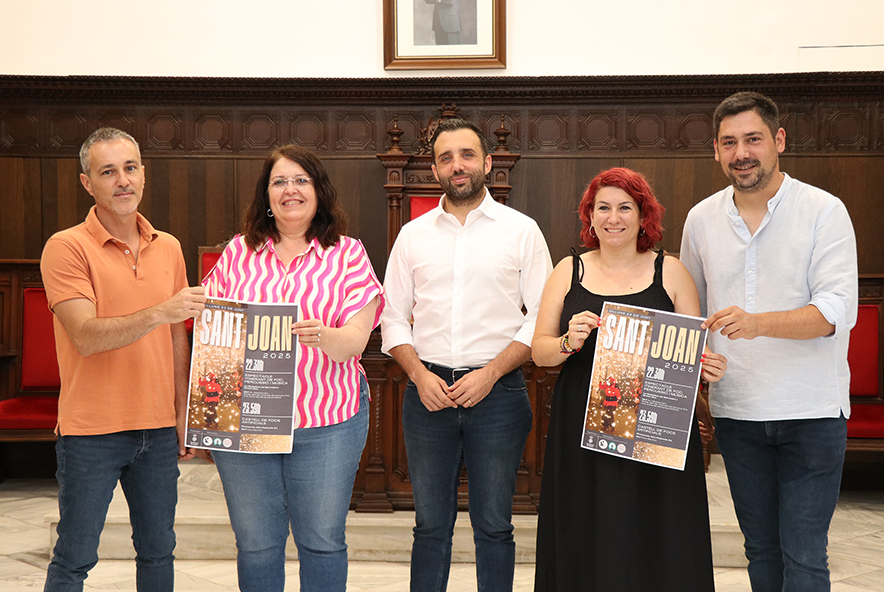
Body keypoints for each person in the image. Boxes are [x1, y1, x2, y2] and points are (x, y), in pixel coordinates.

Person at [679, 91, 858, 592]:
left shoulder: (824, 210)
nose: (742, 153)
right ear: (715, 150)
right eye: (729, 142)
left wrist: (758, 324)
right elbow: (688, 311)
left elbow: (834, 313)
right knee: (759, 549)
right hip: (738, 412)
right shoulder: (701, 219)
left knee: (803, 554)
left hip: (813, 411)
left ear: (778, 140)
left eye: (753, 139)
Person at [531, 167, 727, 592]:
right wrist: (568, 341)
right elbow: (540, 352)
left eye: (625, 207)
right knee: (587, 525)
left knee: (661, 527)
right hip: (583, 423)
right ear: (590, 215)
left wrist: (708, 364)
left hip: (657, 422)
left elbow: (691, 350)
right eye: (603, 207)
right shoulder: (568, 269)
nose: (613, 217)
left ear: (643, 216)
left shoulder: (670, 271)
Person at [201, 144, 384, 592]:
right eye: (279, 181)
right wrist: (208, 418)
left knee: (321, 540)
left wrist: (324, 335)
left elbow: (355, 343)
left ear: (318, 191)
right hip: (246, 419)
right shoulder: (237, 254)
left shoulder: (348, 254)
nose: (290, 190)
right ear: (266, 195)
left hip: (327, 421)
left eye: (301, 180)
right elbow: (213, 334)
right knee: (256, 543)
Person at [381, 117, 552, 592]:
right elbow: (392, 317)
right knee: (430, 528)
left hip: (498, 397)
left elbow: (541, 317)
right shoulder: (413, 235)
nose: (458, 165)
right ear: (435, 170)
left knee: (495, 527)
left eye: (467, 155)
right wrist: (417, 374)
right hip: (427, 394)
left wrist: (490, 373)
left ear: (488, 163)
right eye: (446, 158)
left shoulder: (522, 231)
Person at [40, 127, 206, 591]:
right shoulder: (66, 247)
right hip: (90, 431)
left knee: (158, 553)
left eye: (130, 168)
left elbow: (178, 339)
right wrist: (161, 311)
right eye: (107, 171)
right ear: (87, 183)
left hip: (156, 430)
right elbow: (86, 337)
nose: (122, 180)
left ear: (144, 174)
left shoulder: (168, 246)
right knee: (74, 557)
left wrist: (180, 412)